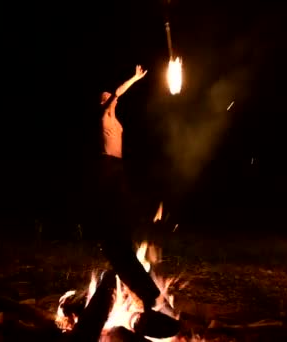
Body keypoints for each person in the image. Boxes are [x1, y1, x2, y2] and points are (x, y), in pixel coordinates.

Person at [90, 65, 180, 338]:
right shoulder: (104, 113)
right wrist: (135, 78)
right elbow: (118, 93)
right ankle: (118, 247)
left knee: (121, 221)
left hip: (116, 168)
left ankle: (144, 287)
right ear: (103, 102)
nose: (109, 96)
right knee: (115, 228)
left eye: (108, 94)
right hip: (108, 168)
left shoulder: (113, 117)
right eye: (105, 96)